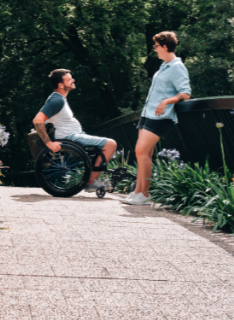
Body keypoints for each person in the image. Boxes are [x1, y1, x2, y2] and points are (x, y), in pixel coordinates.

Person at [123, 31, 191, 205]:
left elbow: (185, 93)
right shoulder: (164, 66)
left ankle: (144, 195)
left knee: (140, 151)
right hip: (148, 114)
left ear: (165, 46)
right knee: (143, 153)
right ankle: (137, 192)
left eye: (156, 46)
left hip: (161, 116)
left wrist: (167, 101)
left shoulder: (177, 66)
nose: (154, 49)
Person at [32, 69, 117, 192]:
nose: (73, 80)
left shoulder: (60, 99)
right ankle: (91, 182)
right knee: (110, 144)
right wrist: (49, 144)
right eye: (69, 79)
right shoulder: (57, 100)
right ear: (61, 85)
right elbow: (37, 120)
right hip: (70, 137)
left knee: (104, 146)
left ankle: (93, 179)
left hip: (74, 135)